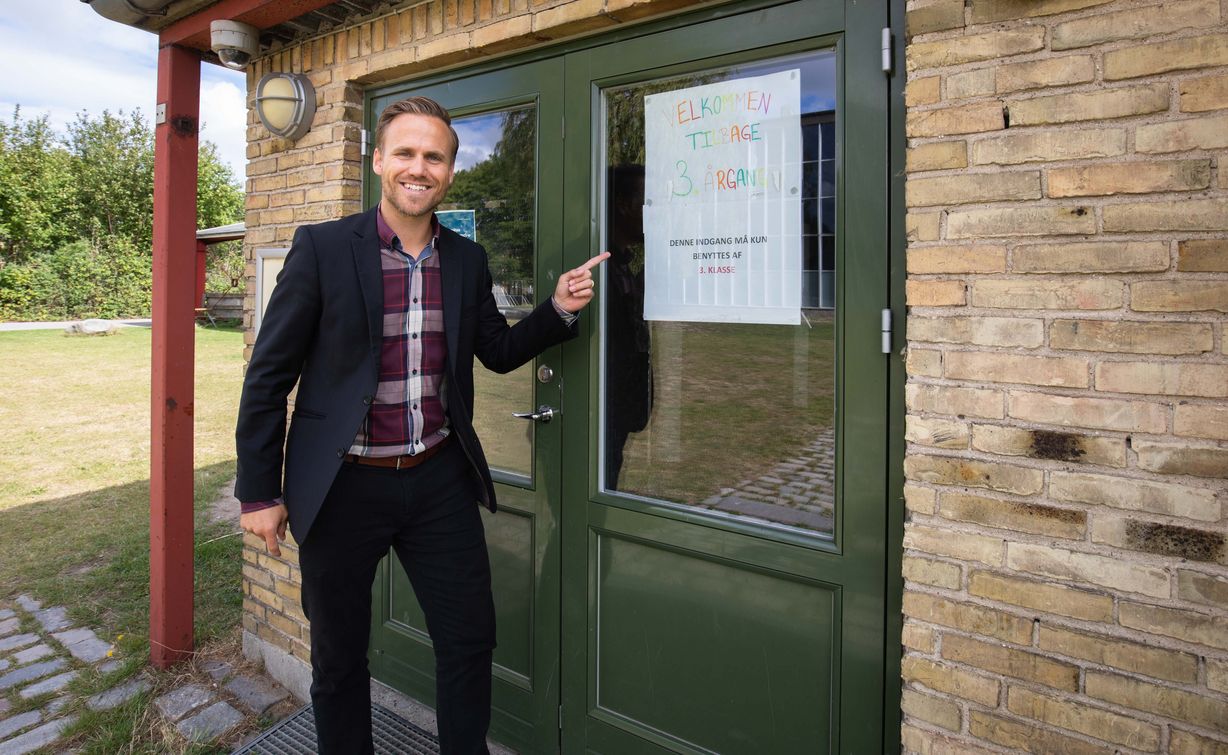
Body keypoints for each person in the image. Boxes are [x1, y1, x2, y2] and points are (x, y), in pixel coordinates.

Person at [235, 96, 608, 755]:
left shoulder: (466, 260)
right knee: (340, 657)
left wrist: (555, 308)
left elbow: (495, 350)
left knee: (469, 639)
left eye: (434, 156)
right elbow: (268, 374)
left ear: (449, 173)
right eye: (405, 152)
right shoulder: (323, 249)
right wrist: (259, 491)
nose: (419, 166)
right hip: (342, 485)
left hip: (436, 480)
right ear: (379, 161)